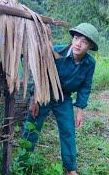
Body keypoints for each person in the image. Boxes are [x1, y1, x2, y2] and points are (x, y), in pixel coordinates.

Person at [23, 23, 99, 175]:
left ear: (90, 46)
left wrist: (79, 111)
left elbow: (85, 87)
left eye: (84, 41)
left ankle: (70, 168)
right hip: (44, 94)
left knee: (68, 131)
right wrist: (34, 100)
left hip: (64, 99)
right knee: (32, 126)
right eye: (76, 38)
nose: (78, 43)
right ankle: (22, 159)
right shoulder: (57, 52)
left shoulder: (90, 64)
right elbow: (39, 75)